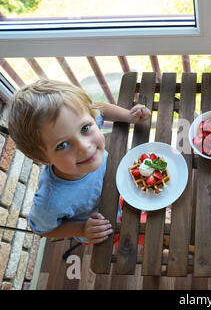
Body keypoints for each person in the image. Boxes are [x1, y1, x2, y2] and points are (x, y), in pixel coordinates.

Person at [7, 79, 151, 245]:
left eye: (84, 129)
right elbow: (40, 228)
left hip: (120, 187)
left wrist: (127, 115)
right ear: (43, 158)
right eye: (62, 145)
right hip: (108, 225)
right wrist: (82, 229)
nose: (84, 147)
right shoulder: (50, 202)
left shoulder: (76, 122)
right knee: (149, 235)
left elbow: (99, 109)